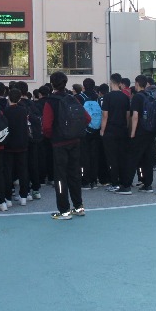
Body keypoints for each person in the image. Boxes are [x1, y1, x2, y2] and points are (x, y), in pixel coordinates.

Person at [41, 71, 89, 220]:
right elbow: (86, 118)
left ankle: (64, 210)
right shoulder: (72, 98)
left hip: (59, 143)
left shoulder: (50, 101)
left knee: (60, 177)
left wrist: (52, 136)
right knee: (74, 175)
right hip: (75, 141)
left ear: (52, 84)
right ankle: (78, 206)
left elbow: (46, 126)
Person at [100, 73, 131, 193]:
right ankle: (124, 181)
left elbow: (105, 115)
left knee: (111, 158)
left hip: (110, 130)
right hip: (122, 130)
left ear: (111, 82)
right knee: (122, 157)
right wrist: (126, 127)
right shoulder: (125, 97)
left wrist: (102, 130)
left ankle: (114, 182)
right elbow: (127, 115)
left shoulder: (107, 97)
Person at [130, 75, 156, 193]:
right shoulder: (150, 96)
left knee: (133, 158)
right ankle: (148, 184)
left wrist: (132, 132)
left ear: (137, 83)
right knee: (148, 158)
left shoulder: (137, 97)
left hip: (140, 131)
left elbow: (135, 116)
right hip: (150, 130)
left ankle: (126, 184)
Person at [3, 88, 30, 206]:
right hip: (22, 143)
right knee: (23, 170)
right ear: (19, 99)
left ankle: (8, 197)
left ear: (9, 98)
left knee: (8, 171)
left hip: (9, 144)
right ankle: (24, 196)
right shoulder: (23, 110)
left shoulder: (5, 111)